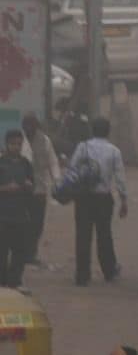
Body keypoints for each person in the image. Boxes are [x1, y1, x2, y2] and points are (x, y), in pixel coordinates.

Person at [67, 117, 126, 286]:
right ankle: (109, 270)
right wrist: (124, 200)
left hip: (84, 197)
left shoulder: (82, 147)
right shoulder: (114, 151)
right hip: (103, 198)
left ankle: (82, 275)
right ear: (108, 131)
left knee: (83, 236)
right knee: (104, 235)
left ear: (92, 130)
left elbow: (72, 168)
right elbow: (120, 178)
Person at [19, 113, 57, 266]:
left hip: (40, 189)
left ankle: (31, 254)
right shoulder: (17, 141)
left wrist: (57, 181)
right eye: (26, 124)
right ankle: (22, 253)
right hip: (20, 190)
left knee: (37, 224)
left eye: (31, 124)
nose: (28, 128)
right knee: (22, 223)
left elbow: (52, 162)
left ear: (36, 126)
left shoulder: (45, 141)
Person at [0, 129, 34, 288]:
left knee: (19, 251)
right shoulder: (1, 163)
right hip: (3, 215)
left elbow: (31, 185)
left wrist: (28, 186)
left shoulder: (26, 163)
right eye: (13, 144)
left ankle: (15, 281)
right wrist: (6, 188)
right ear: (6, 144)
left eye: (19, 144)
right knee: (2, 251)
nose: (16, 147)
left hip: (20, 215)